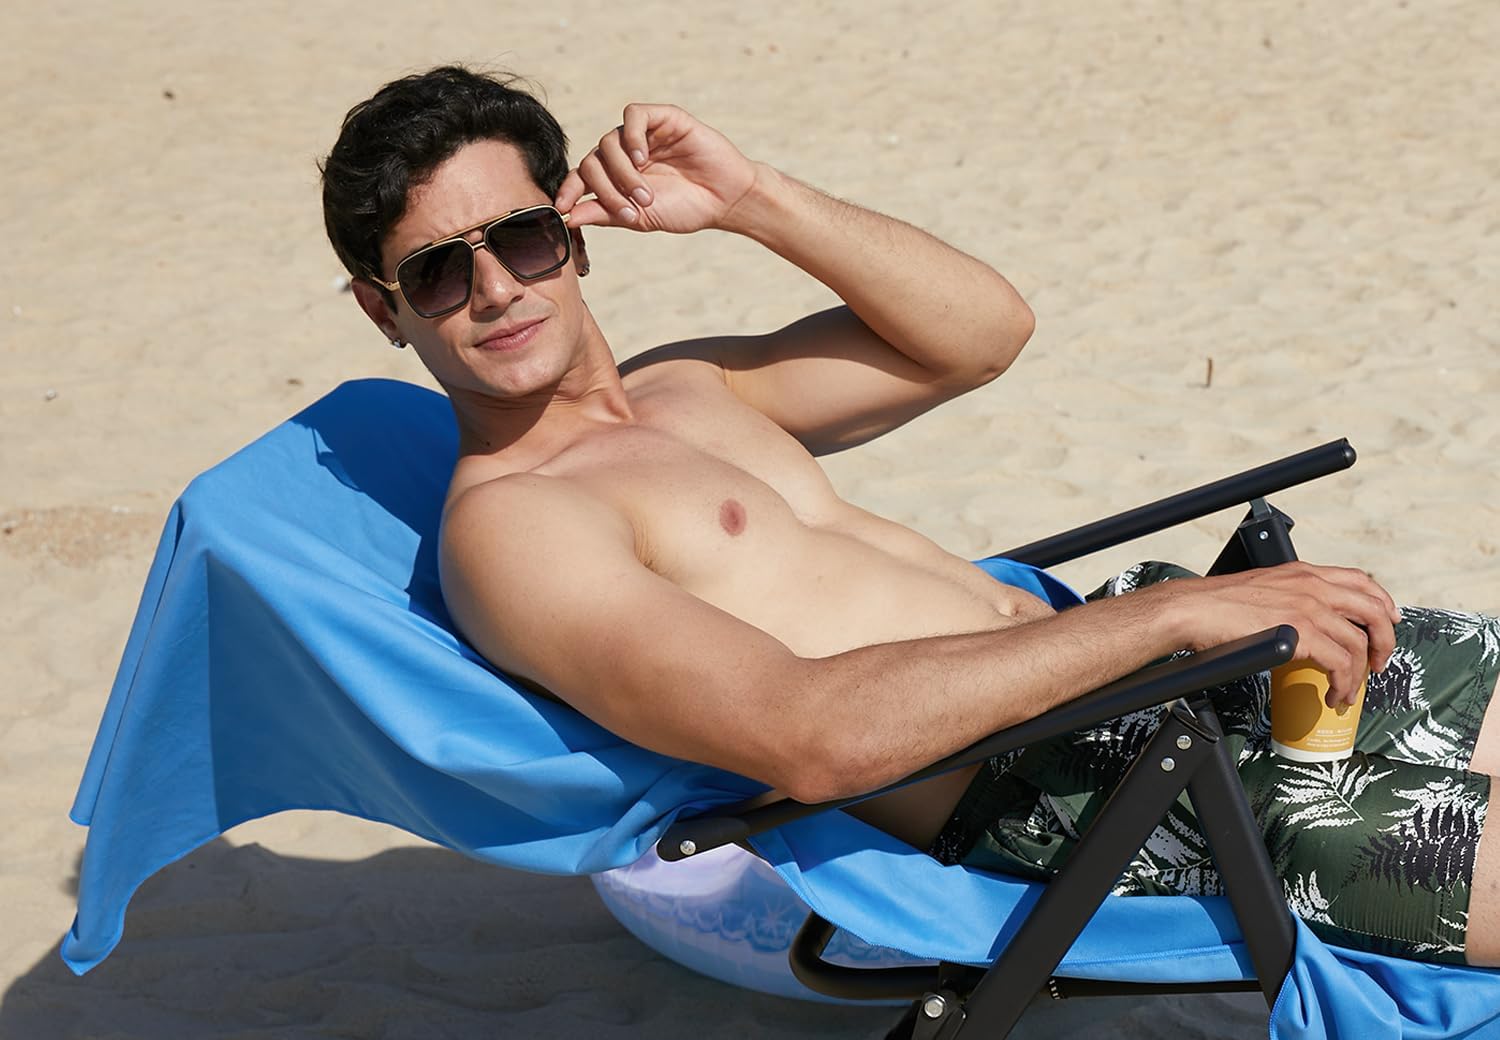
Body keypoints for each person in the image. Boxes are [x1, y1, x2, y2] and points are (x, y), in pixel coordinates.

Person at [320, 65, 1499, 966]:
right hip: (1079, 792)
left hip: (1144, 657)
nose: (496, 290)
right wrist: (1174, 620)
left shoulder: (688, 385)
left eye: (521, 238)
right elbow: (813, 737)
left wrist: (751, 198)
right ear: (385, 313)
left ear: (571, 235)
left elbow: (981, 335)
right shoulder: (516, 528)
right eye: (438, 273)